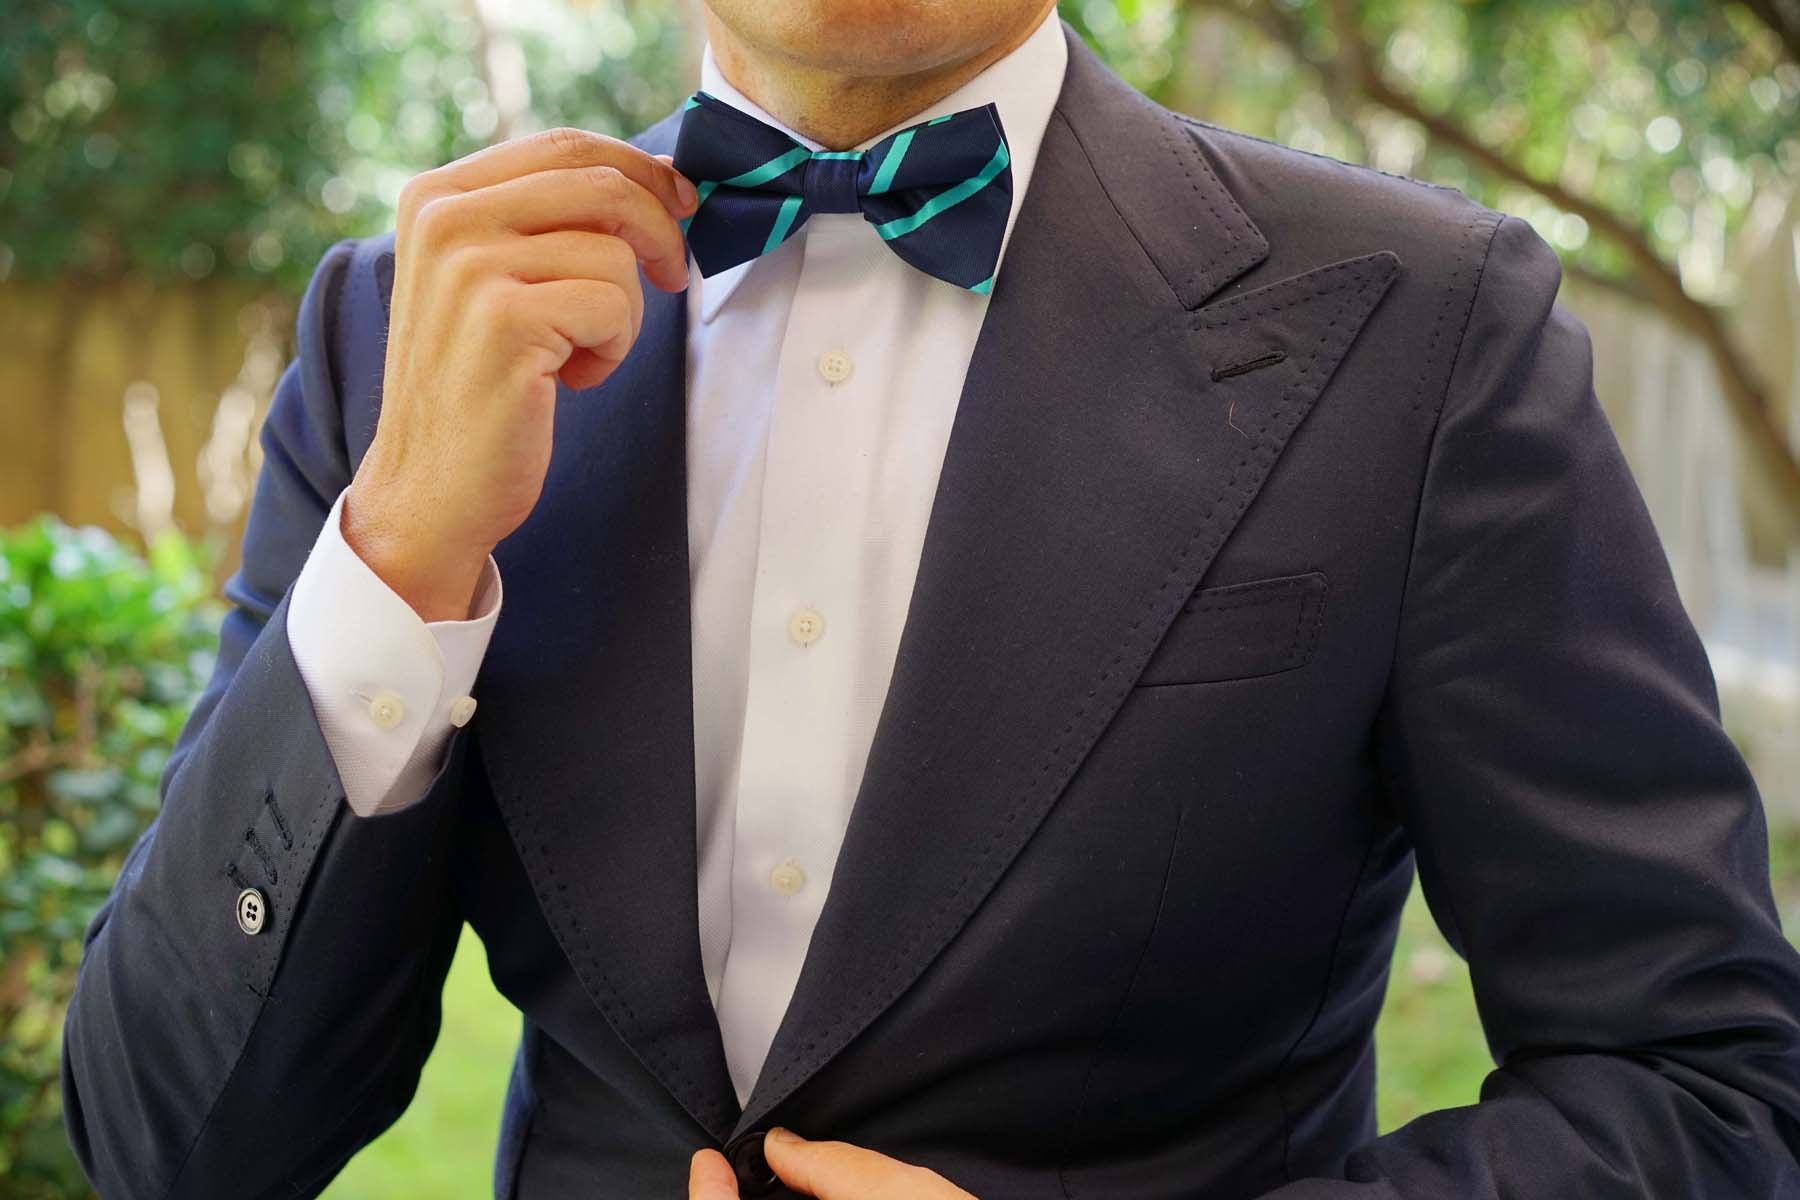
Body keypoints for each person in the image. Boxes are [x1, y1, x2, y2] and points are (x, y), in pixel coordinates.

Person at [59, 0, 1800, 1195]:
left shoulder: (1423, 329)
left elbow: (1709, 1090)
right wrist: (401, 556)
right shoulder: (397, 336)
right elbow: (168, 1149)